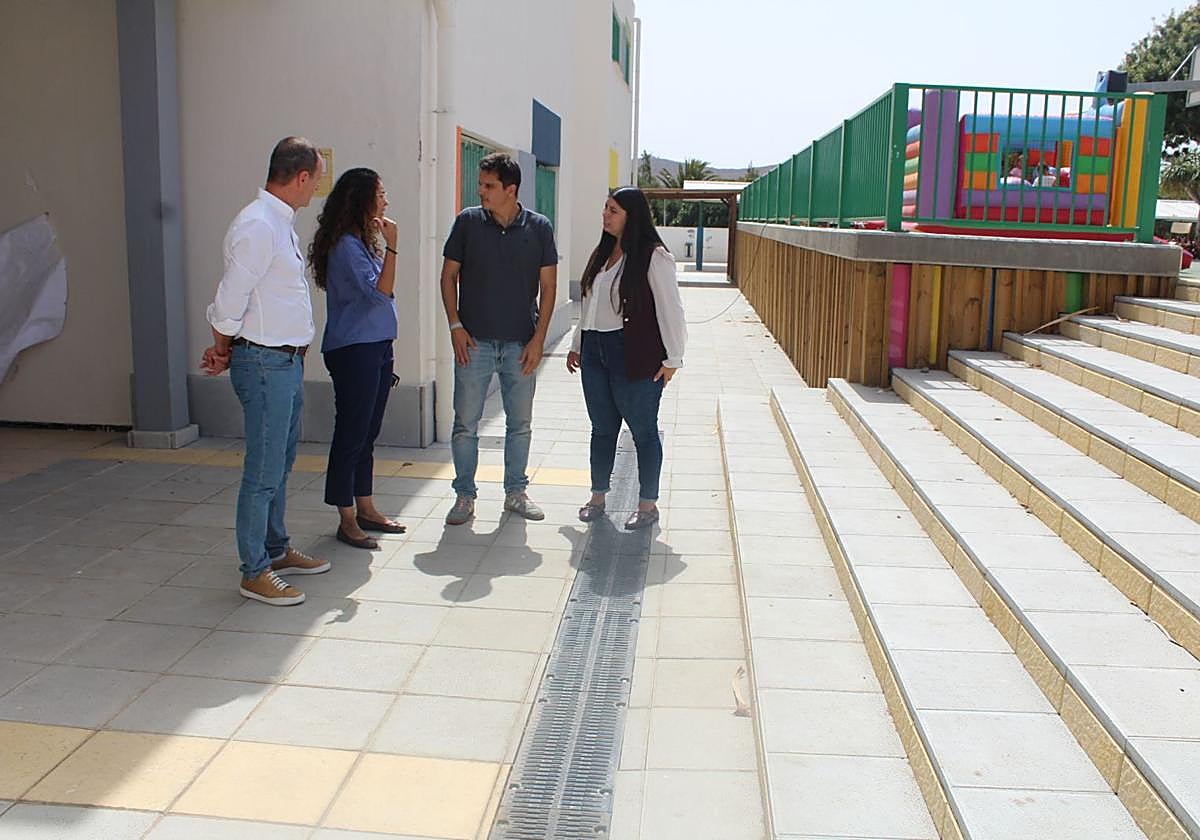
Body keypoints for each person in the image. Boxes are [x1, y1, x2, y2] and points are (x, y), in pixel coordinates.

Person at [201, 136, 329, 606]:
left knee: (281, 461)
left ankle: (275, 549)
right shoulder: (258, 226)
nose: (315, 188)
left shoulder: (279, 223)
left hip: (284, 361)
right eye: (315, 179)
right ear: (299, 178)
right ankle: (253, 569)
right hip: (264, 363)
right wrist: (222, 346)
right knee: (263, 469)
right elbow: (230, 298)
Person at [439, 152, 558, 525]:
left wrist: (539, 339)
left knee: (519, 424)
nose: (481, 191)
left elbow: (549, 287)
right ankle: (464, 496)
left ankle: (515, 493)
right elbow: (447, 277)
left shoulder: (539, 227)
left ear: (511, 189)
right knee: (465, 424)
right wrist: (456, 327)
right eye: (481, 184)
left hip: (521, 344)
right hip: (473, 344)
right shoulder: (467, 223)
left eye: (489, 186)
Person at [566, 187, 687, 530]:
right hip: (595, 352)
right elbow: (589, 305)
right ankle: (597, 497)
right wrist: (578, 343)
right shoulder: (602, 255)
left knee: (643, 431)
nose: (605, 215)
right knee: (602, 429)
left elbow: (671, 310)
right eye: (605, 208)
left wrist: (673, 359)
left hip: (631, 352)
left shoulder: (653, 256)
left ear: (631, 216)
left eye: (613, 210)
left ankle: (647, 505)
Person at [308, 167, 406, 550]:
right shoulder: (347, 245)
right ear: (362, 198)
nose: (385, 201)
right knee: (351, 433)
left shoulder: (362, 242)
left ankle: (366, 506)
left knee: (367, 433)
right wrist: (394, 246)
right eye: (380, 193)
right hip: (355, 349)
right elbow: (380, 293)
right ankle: (346, 516)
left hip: (377, 346)